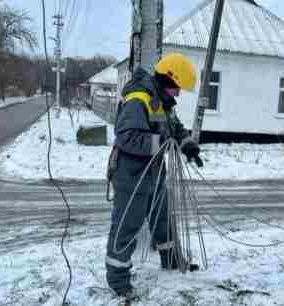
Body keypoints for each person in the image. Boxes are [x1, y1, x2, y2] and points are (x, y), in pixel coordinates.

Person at [106, 53, 204, 299]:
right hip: (131, 173)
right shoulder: (139, 99)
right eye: (176, 89)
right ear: (166, 79)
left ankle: (171, 259)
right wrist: (161, 142)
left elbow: (175, 129)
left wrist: (187, 144)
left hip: (155, 171)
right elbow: (126, 137)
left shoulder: (161, 101)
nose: (178, 95)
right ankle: (119, 281)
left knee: (162, 217)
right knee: (127, 225)